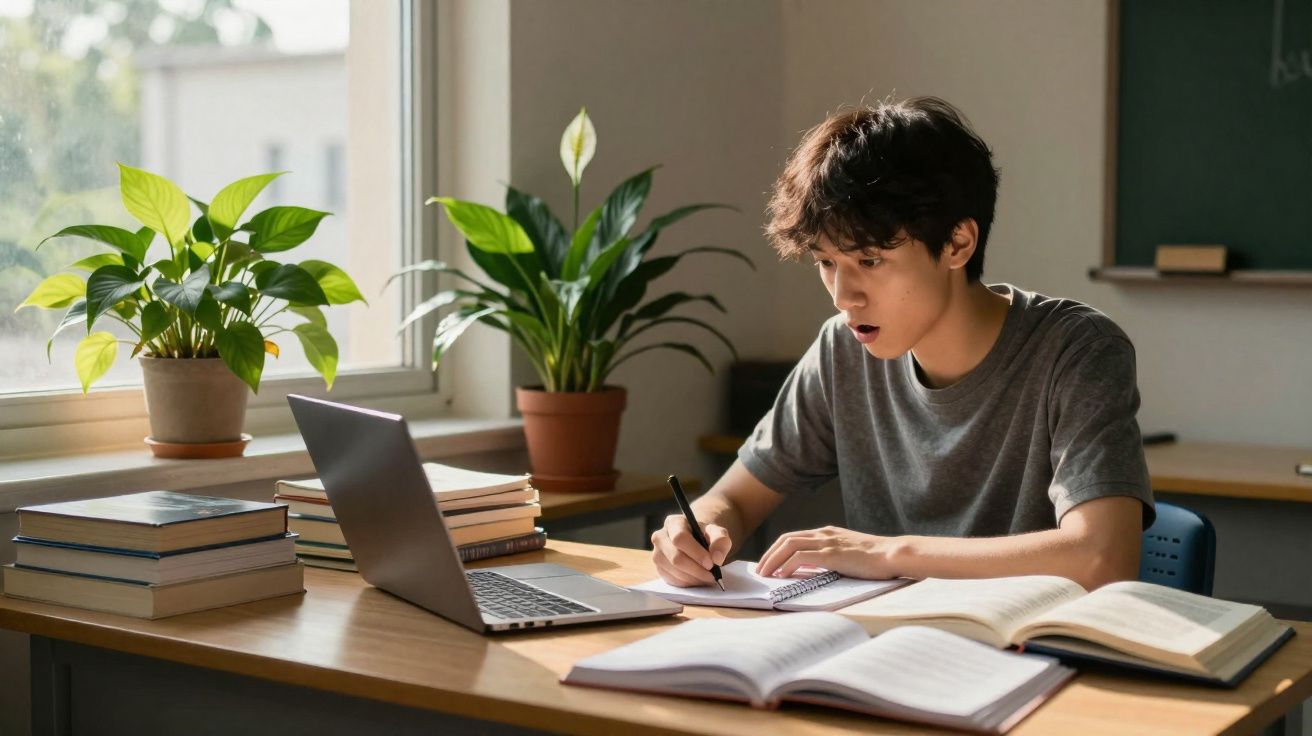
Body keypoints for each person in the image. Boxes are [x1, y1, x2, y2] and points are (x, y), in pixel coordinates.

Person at [651, 96, 1154, 591]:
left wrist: (891, 553)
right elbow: (734, 500)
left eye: (869, 261)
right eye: (827, 263)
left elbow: (1103, 557)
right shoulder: (842, 350)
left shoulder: (1078, 350)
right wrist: (699, 530)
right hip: (882, 649)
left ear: (958, 243)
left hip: (1028, 656)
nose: (843, 297)